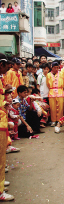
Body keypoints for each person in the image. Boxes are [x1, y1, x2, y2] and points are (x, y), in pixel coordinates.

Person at [0, 54, 15, 201]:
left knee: (1, 156)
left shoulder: (0, 79)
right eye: (6, 65)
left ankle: (1, 183)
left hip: (2, 121)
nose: (7, 68)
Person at [46, 62, 64, 127]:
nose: (56, 69)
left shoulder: (61, 74)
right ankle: (53, 121)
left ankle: (60, 120)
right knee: (52, 107)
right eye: (55, 67)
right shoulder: (48, 75)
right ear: (52, 67)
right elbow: (48, 84)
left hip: (60, 91)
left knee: (60, 107)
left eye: (57, 67)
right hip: (52, 92)